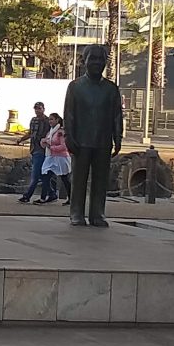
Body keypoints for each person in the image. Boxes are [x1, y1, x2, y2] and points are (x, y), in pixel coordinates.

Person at [63, 44, 123, 227]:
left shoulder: (111, 89)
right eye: (93, 58)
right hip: (81, 141)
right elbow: (69, 114)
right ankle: (76, 213)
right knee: (79, 180)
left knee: (100, 180)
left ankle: (97, 214)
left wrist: (118, 138)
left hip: (103, 141)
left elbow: (117, 115)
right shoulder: (75, 87)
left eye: (100, 59)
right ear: (84, 61)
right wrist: (69, 136)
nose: (97, 62)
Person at [18, 101, 50, 203]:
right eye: (36, 109)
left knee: (35, 175)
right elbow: (30, 133)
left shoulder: (47, 121)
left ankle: (27, 195)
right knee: (42, 175)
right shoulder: (33, 120)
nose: (37, 111)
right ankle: (52, 194)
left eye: (39, 108)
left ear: (43, 109)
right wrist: (21, 139)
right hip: (34, 149)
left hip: (42, 150)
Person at [35, 112, 71, 205]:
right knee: (45, 175)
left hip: (61, 158)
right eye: (49, 119)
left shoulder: (60, 132)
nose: (50, 121)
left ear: (57, 120)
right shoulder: (51, 132)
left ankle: (71, 198)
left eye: (52, 119)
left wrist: (50, 147)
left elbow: (64, 146)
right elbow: (46, 143)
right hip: (51, 157)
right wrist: (43, 142)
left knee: (64, 178)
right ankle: (47, 196)